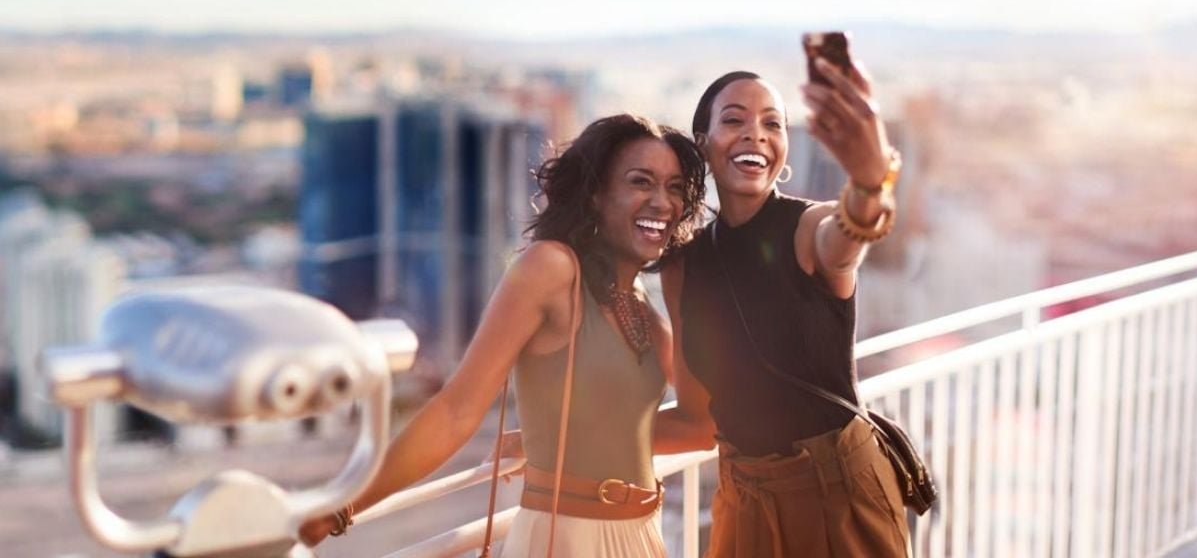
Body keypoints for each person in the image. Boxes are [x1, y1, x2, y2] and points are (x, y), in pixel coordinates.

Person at [301, 113, 708, 556]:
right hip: (567, 539)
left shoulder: (643, 306)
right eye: (641, 182)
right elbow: (456, 410)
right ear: (595, 195)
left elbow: (701, 427)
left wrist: (680, 285)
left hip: (642, 537)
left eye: (674, 188)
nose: (662, 202)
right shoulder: (551, 268)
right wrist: (341, 506)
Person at [654, 60, 910, 557]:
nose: (757, 134)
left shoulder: (809, 228)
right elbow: (697, 420)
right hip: (743, 504)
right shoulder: (684, 267)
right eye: (734, 120)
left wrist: (869, 181)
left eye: (773, 123)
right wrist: (562, 437)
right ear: (702, 143)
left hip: (838, 499)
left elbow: (852, 233)